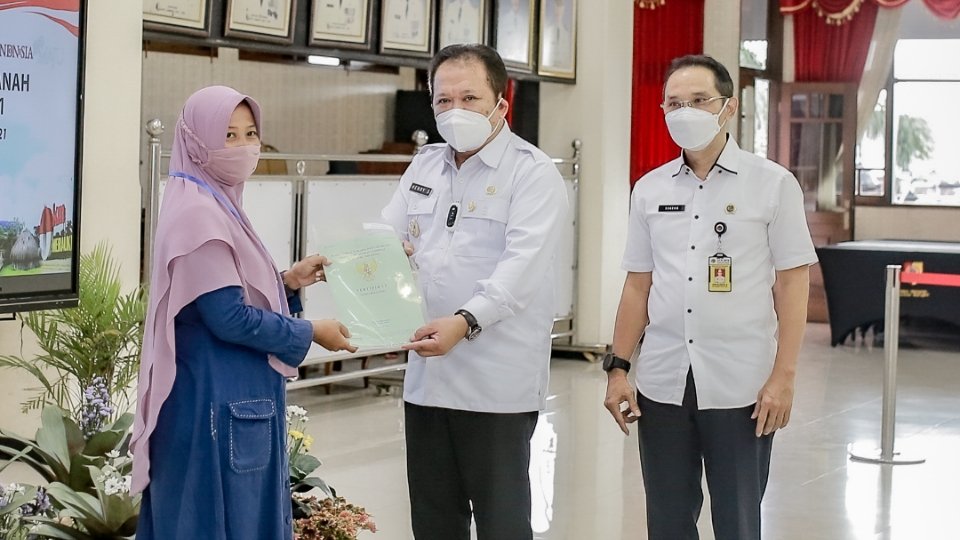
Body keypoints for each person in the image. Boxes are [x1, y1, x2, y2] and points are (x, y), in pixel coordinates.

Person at [603, 55, 817, 540]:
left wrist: (783, 377)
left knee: (738, 520)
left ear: (728, 107)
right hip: (663, 382)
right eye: (674, 103)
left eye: (699, 100)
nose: (686, 112)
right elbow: (638, 284)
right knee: (668, 519)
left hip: (742, 386)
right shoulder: (649, 189)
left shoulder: (772, 184)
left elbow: (792, 283)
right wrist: (617, 369)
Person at [130, 86, 356, 539]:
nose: (243, 147)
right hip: (213, 405)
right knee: (217, 521)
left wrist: (287, 281)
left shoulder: (213, 201)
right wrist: (310, 331)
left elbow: (217, 297)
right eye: (228, 135)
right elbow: (228, 317)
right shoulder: (199, 213)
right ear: (196, 141)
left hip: (225, 400)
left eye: (250, 133)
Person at [380, 44, 568, 540]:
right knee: (433, 518)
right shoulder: (425, 165)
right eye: (444, 100)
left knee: (501, 520)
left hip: (496, 382)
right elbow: (387, 236)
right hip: (427, 376)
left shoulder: (531, 172)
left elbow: (520, 271)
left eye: (470, 98)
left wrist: (464, 323)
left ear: (501, 103)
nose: (455, 110)